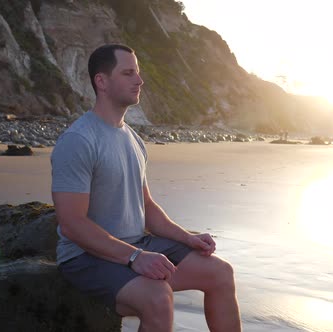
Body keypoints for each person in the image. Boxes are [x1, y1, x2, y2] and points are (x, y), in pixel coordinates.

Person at [51, 44, 241, 332]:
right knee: (157, 297)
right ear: (101, 82)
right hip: (85, 256)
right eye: (128, 73)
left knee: (220, 273)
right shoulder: (79, 140)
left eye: (137, 73)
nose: (139, 80)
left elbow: (147, 207)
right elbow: (72, 224)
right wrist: (135, 257)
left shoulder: (133, 140)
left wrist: (187, 238)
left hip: (136, 244)